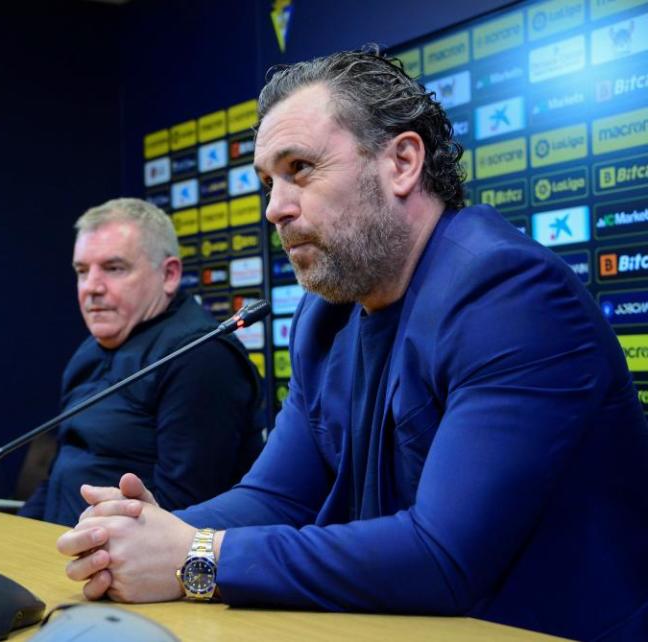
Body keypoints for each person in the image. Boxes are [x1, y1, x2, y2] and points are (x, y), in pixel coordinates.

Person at [55, 48, 648, 641]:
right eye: (268, 181)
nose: (274, 208)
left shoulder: (510, 296)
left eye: (301, 168)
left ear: (401, 162)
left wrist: (198, 557)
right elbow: (276, 496)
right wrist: (142, 537)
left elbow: (443, 557)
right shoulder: (326, 315)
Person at [18, 198, 263, 527]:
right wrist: (19, 533)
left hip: (134, 562)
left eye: (114, 268)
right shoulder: (89, 351)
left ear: (169, 275)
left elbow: (185, 509)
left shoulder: (201, 356)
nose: (91, 287)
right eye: (81, 271)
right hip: (64, 546)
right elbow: (61, 473)